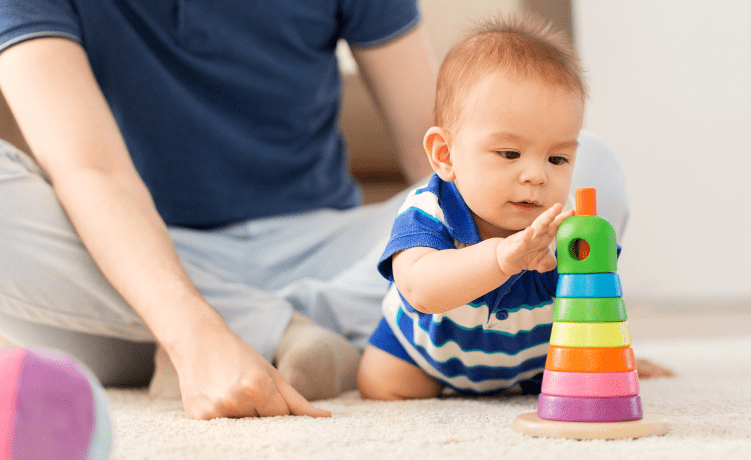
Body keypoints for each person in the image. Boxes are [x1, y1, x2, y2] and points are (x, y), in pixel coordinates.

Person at [0, 0, 436, 420]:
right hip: (139, 275)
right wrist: (193, 334)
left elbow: (436, 152)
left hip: (325, 255)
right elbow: (91, 169)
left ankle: (282, 329)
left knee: (481, 205)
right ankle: (286, 332)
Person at [357, 15, 673, 400]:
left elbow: (595, 297)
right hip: (426, 352)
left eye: (557, 159)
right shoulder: (430, 210)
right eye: (510, 153)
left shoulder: (567, 227)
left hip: (534, 361)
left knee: (573, 375)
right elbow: (419, 288)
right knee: (380, 382)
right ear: (445, 155)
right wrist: (501, 257)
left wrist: (604, 354)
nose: (536, 175)